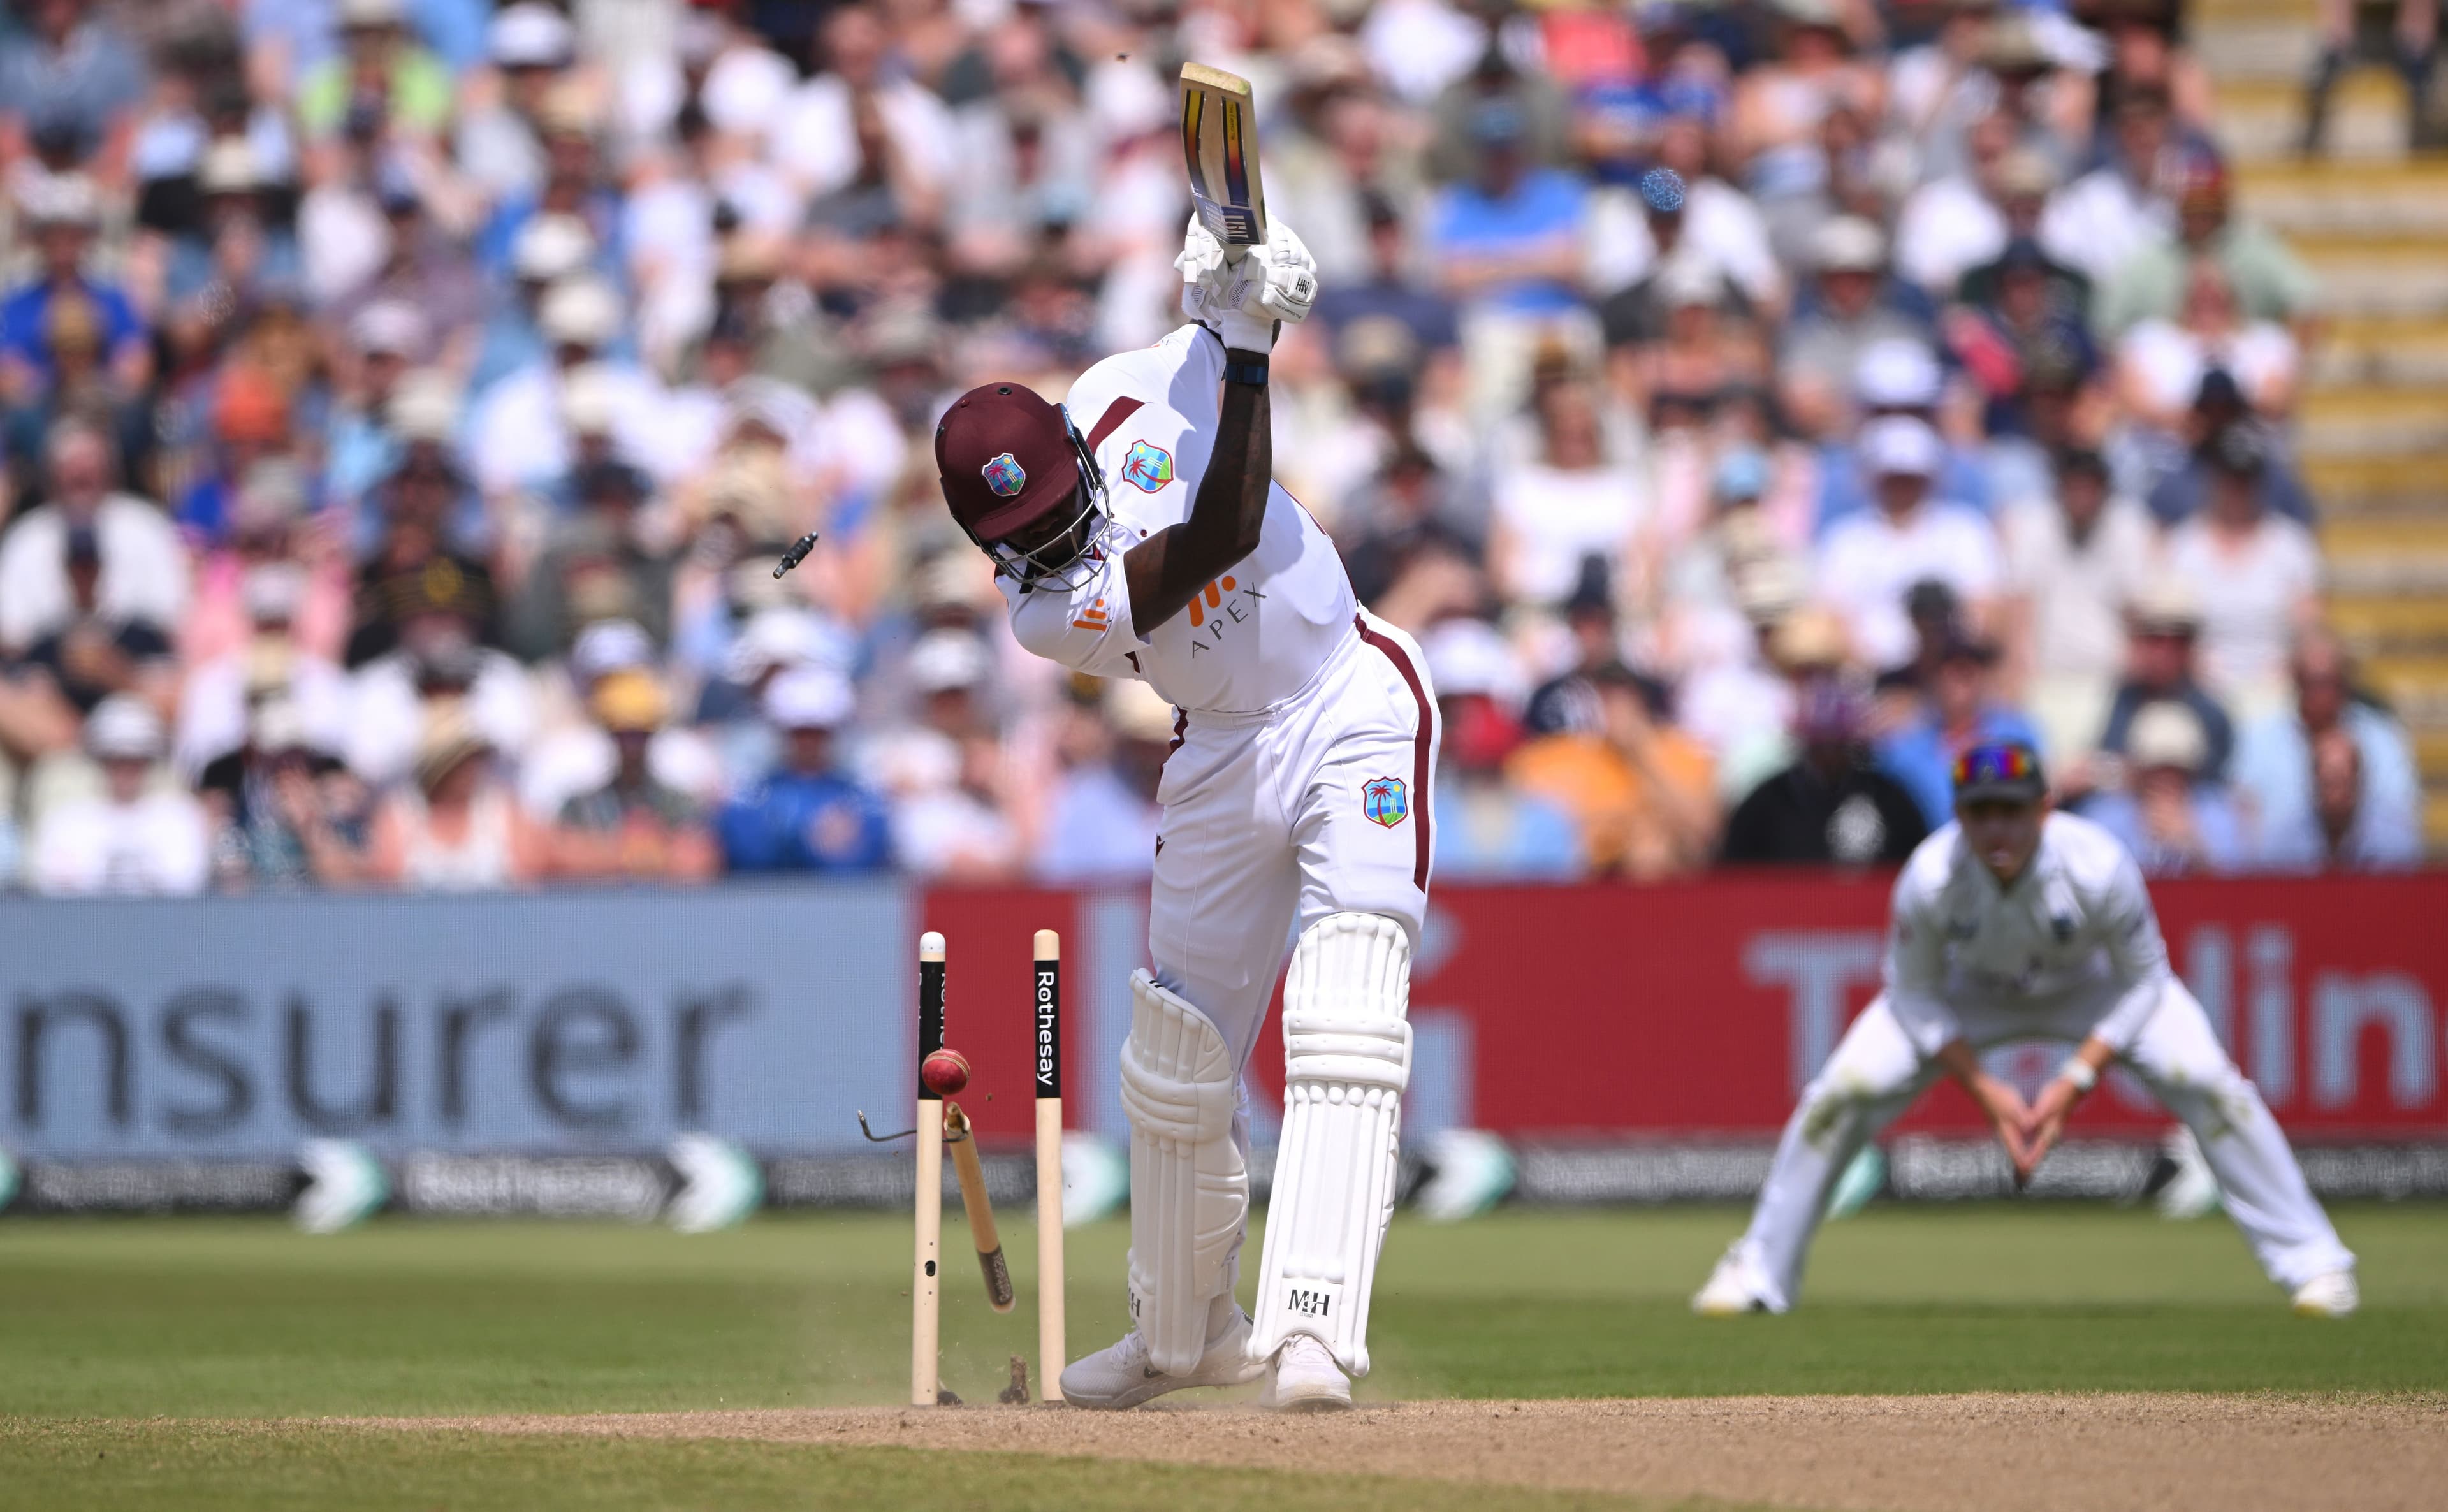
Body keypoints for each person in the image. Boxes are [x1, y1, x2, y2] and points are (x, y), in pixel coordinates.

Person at [929, 212, 1432, 1413]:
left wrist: (1244, 282)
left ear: (1071, 441)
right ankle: (1184, 1334)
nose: (1054, 539)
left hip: (1347, 698)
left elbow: (1218, 327)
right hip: (1219, 752)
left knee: (1345, 1009)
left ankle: (1314, 1329)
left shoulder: (1125, 390)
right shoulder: (1046, 615)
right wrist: (1251, 349)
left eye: (1058, 507)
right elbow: (1227, 525)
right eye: (1023, 534)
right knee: (1175, 1055)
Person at [1692, 740, 2360, 1319]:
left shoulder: (2098, 864)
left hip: (2092, 990)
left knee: (2209, 1082)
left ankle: (2315, 1263)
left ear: (2045, 808)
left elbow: (2145, 983)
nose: (1998, 829)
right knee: (1841, 1091)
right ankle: (1758, 1272)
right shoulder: (1931, 877)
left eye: (2012, 809)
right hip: (1971, 994)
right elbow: (1916, 994)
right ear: (1960, 815)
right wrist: (1988, 1090)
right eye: (1981, 812)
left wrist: (2074, 1079)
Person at [1721, 678, 1928, 866]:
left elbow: (1914, 864)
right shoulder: (1768, 802)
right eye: (1819, 745)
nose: (1828, 755)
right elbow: (1734, 872)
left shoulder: (1887, 799)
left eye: (1837, 745)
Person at [715, 666, 892, 874]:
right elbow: (749, 854)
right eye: (799, 732)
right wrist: (810, 837)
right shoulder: (754, 795)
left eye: (818, 732)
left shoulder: (859, 797)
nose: (808, 742)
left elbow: (865, 857)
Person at [28, 696, 209, 896]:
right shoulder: (66, 822)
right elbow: (52, 893)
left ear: (149, 761)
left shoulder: (179, 819)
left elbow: (186, 888)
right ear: (100, 760)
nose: (125, 770)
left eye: (135, 760)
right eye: (116, 759)